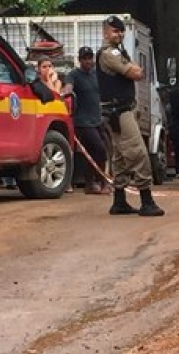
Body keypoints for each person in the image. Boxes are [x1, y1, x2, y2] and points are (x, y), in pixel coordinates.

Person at [96, 15, 164, 216]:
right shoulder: (109, 54)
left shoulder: (119, 51)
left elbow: (134, 70)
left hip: (122, 110)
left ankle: (119, 200)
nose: (119, 34)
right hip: (119, 112)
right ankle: (146, 200)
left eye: (121, 31)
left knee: (120, 157)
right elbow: (135, 73)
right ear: (106, 32)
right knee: (138, 152)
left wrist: (134, 69)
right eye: (115, 31)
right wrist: (134, 69)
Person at [63, 47, 112, 195]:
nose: (88, 61)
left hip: (97, 120)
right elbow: (68, 88)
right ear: (80, 60)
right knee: (100, 149)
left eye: (90, 58)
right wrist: (66, 92)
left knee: (93, 153)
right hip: (83, 122)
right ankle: (102, 182)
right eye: (85, 58)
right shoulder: (74, 75)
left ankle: (90, 184)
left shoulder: (96, 74)